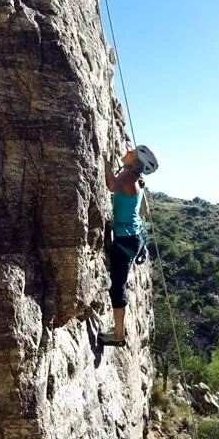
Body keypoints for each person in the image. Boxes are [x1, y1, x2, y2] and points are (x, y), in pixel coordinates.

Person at [99, 147, 150, 347]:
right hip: (130, 237)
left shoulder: (129, 178)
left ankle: (119, 336)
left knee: (117, 286)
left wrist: (104, 161)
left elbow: (111, 186)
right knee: (118, 283)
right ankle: (119, 331)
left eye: (133, 152)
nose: (128, 150)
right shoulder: (132, 176)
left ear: (136, 163)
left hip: (126, 239)